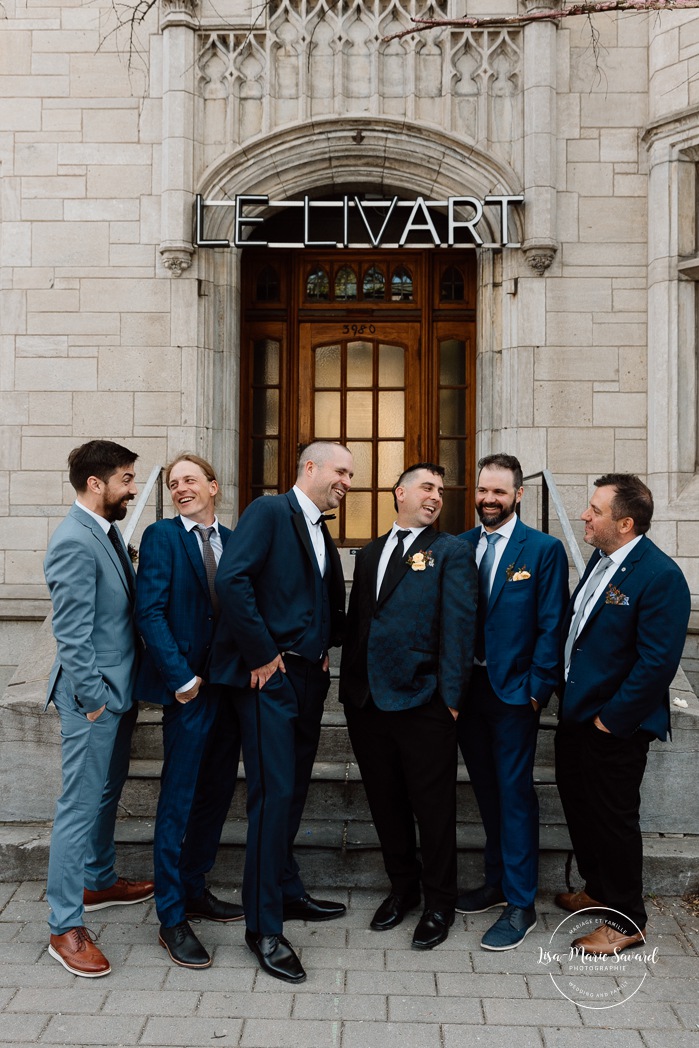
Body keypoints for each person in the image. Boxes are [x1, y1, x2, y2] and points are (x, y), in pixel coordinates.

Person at [209, 440, 353, 983]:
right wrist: (263, 653)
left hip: (310, 678)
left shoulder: (322, 530)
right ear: (309, 468)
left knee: (291, 792)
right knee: (272, 799)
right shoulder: (270, 511)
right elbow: (232, 580)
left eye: (351, 474)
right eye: (340, 471)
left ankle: (287, 891)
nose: (347, 480)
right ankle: (263, 928)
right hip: (271, 677)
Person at [339, 463, 477, 950]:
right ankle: (403, 889)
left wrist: (452, 703)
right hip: (367, 702)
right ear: (400, 492)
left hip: (425, 703)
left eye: (441, 490)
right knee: (386, 803)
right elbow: (361, 620)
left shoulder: (452, 552)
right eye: (426, 487)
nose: (436, 496)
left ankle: (440, 902)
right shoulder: (372, 551)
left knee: (433, 808)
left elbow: (459, 631)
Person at [554, 473, 691, 955]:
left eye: (595, 510)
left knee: (613, 819)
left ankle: (628, 920)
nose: (585, 516)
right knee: (580, 808)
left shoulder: (661, 576)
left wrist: (609, 722)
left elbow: (657, 663)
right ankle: (598, 891)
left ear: (626, 523)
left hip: (614, 726)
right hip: (576, 716)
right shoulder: (602, 559)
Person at [43, 440, 154, 978]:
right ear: (96, 484)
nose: (133, 489)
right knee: (79, 806)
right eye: (127, 480)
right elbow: (72, 634)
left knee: (107, 793)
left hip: (119, 690)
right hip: (94, 698)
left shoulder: (104, 532)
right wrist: (92, 701)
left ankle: (98, 880)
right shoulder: (72, 540)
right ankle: (64, 926)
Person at [455, 453, 569, 951]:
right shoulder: (458, 546)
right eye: (483, 490)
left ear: (519, 495)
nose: (489, 500)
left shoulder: (543, 549)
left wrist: (538, 690)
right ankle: (496, 882)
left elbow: (552, 624)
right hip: (467, 693)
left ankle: (521, 904)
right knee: (485, 789)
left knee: (514, 793)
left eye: (499, 492)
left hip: (514, 694)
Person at [134, 453, 242, 969]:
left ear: (213, 487)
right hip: (190, 690)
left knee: (217, 793)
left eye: (190, 480)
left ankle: (196, 889)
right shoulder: (161, 537)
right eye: (174, 483)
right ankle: (172, 915)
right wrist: (179, 679)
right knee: (178, 801)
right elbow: (149, 611)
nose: (180, 488)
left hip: (231, 689)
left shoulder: (236, 538)